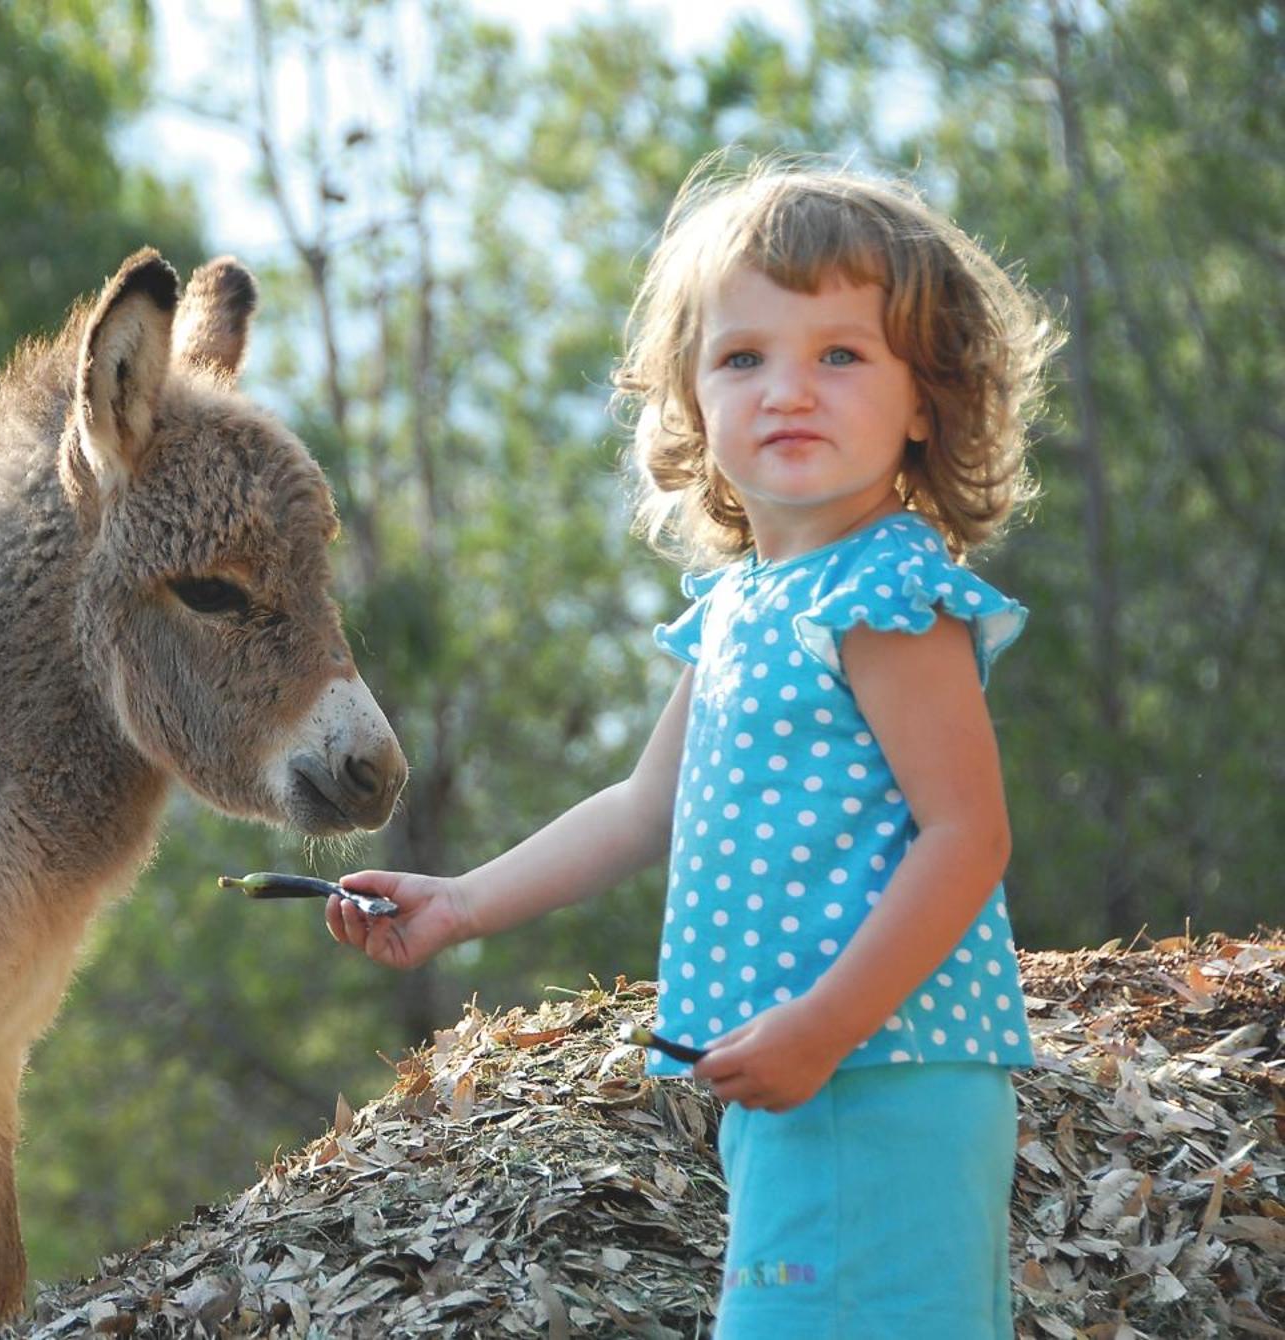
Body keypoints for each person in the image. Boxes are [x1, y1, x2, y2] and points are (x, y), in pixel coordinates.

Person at [327, 154, 1059, 1338]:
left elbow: (967, 835)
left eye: (839, 353)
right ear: (690, 400)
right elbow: (634, 806)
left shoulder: (883, 594)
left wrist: (822, 1027)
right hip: (800, 1070)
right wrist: (459, 902)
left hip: (877, 1063)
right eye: (742, 357)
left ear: (922, 397)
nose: (788, 388)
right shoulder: (743, 606)